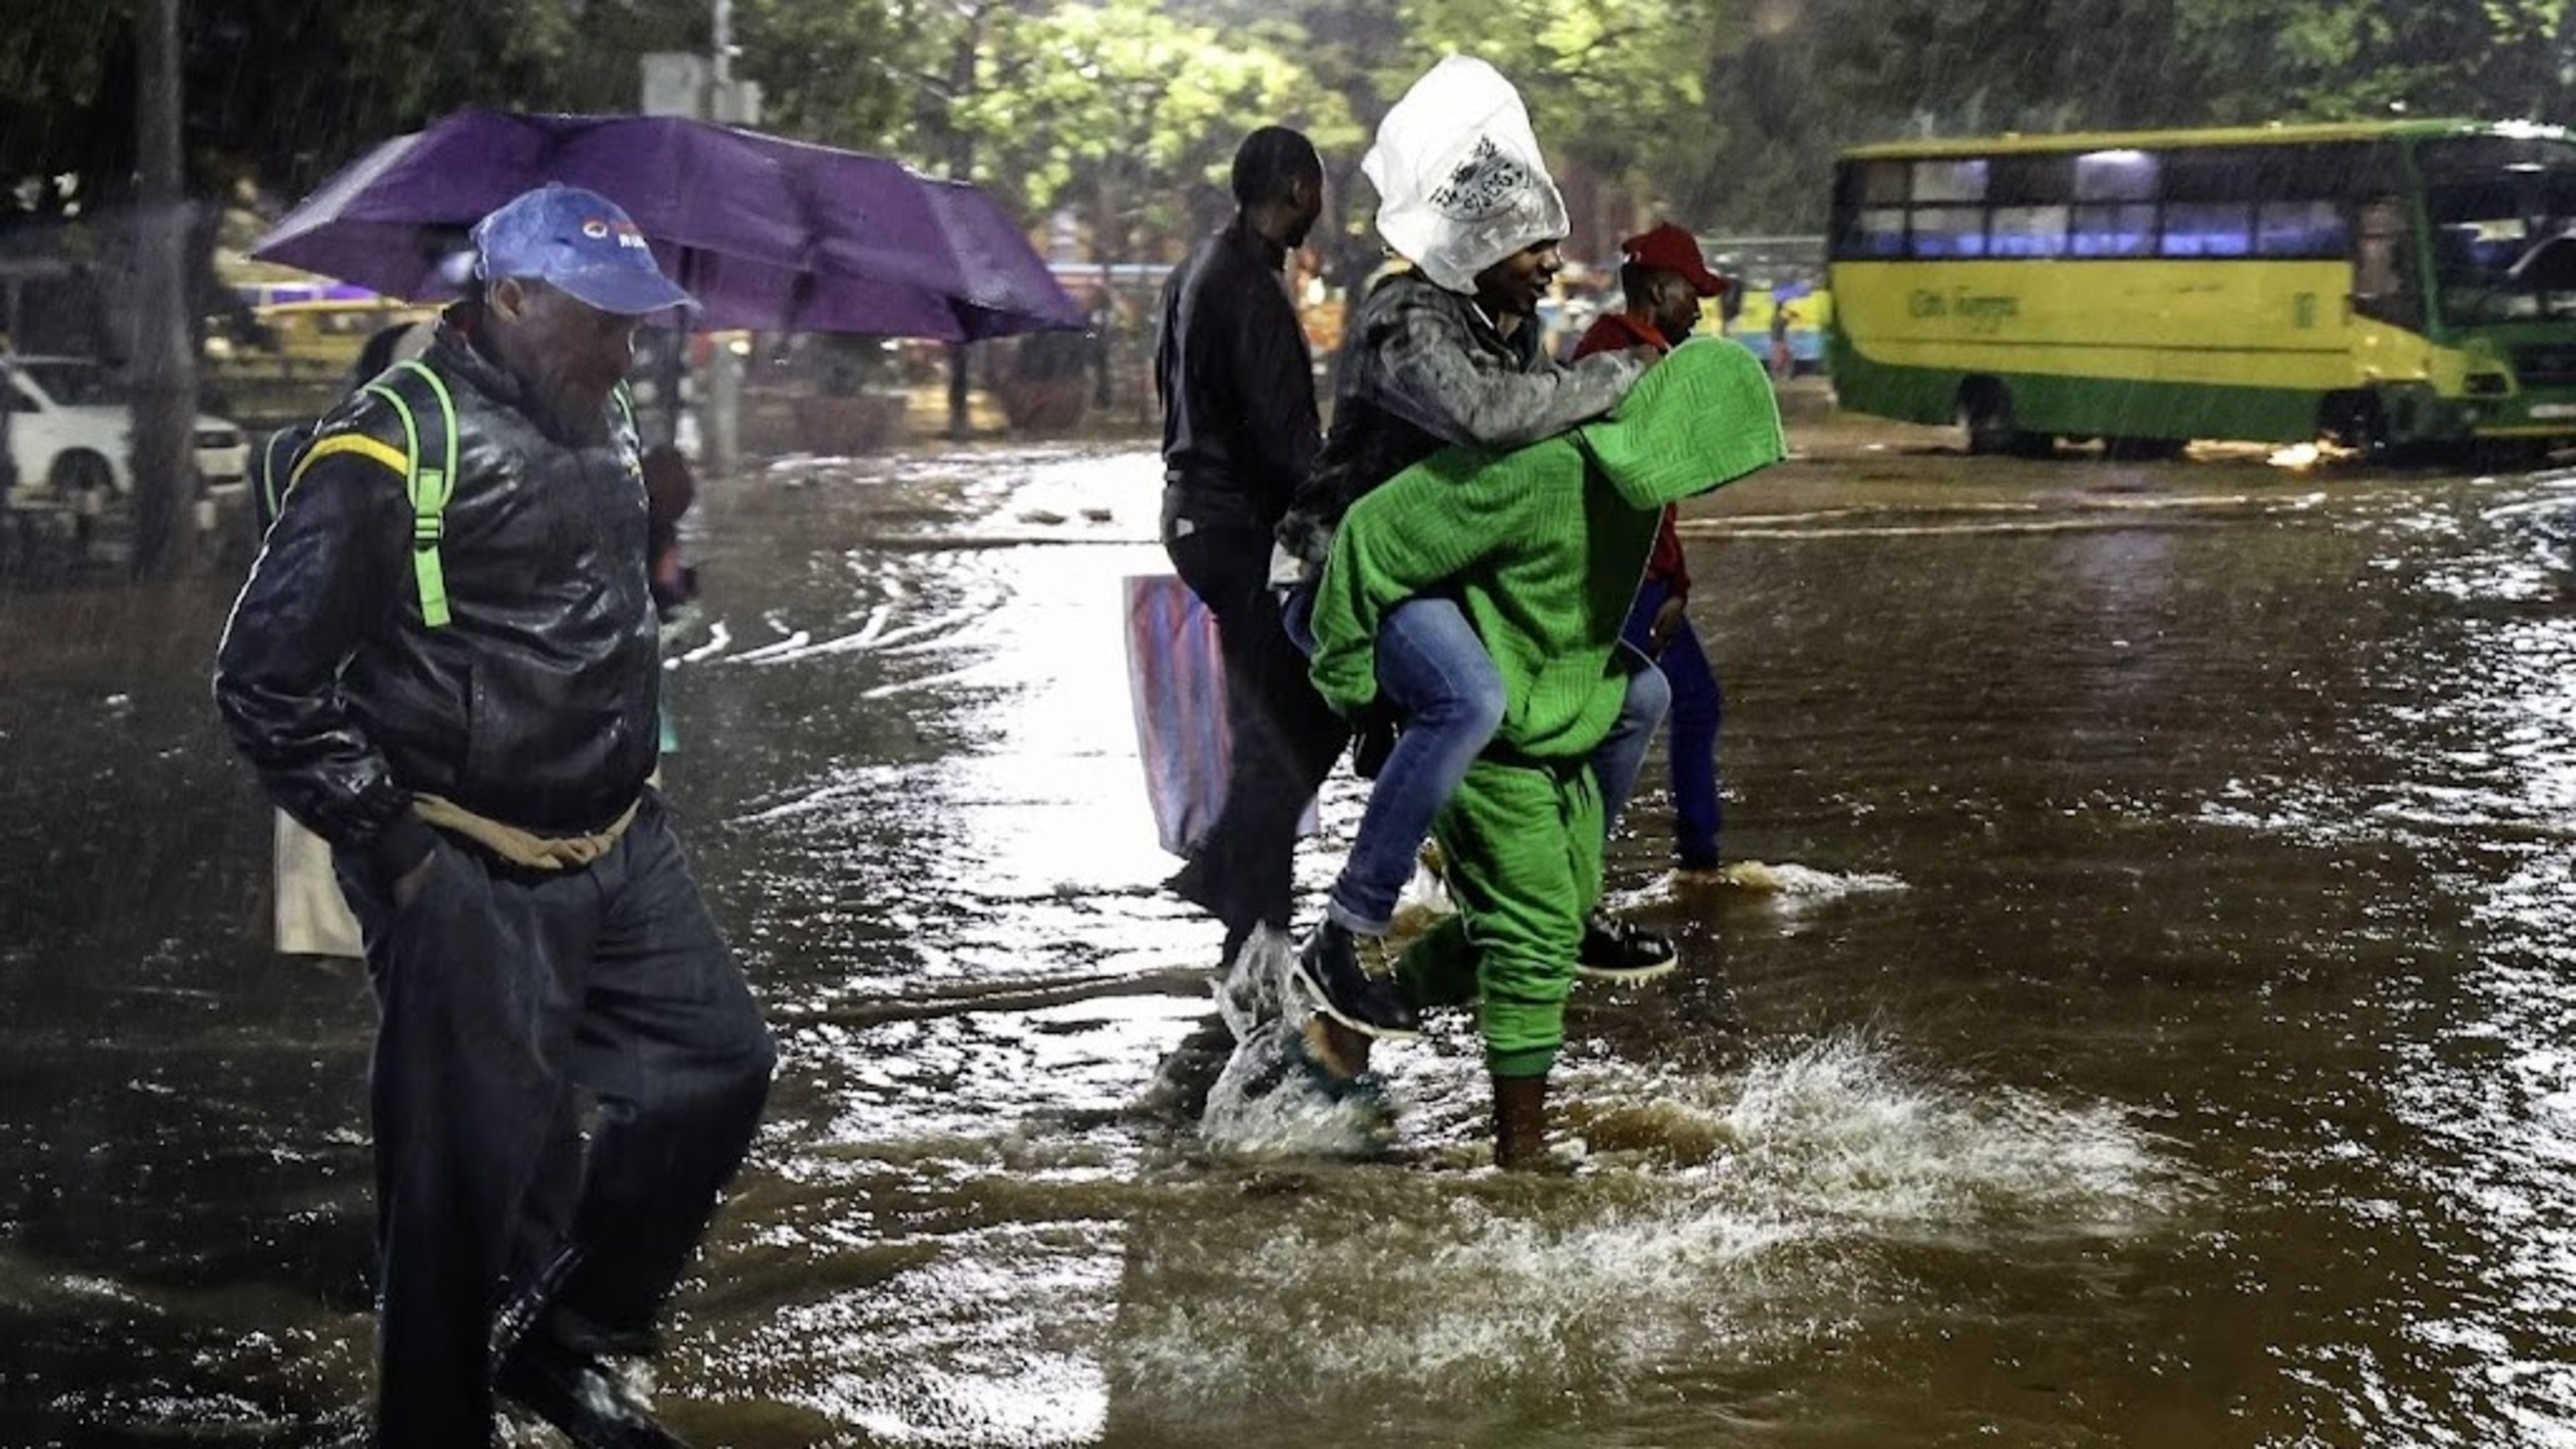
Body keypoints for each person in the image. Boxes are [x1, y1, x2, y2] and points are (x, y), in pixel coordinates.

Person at [213, 183, 775, 1447]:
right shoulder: (388, 446)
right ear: (510, 297)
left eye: (634, 324)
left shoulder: (603, 414)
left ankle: (568, 1343)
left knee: (718, 1067)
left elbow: (599, 607)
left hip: (620, 840)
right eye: (602, 322)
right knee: (461, 1187)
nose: (624, 350)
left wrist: (663, 526)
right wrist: (393, 843)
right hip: (462, 857)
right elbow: (262, 679)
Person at [1303, 338, 1786, 1165]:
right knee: (1533, 936)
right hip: (1491, 737)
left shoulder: (1634, 496)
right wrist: (1357, 694)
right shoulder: (1539, 469)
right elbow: (1370, 538)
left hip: (1560, 719)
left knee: (1547, 920)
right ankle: (1521, 1159)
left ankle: (1345, 1033)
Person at [1270, 55, 1674, 1041]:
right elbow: (1492, 418)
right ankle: (1345, 932)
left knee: (1639, 693)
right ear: (1473, 243)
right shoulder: (1404, 317)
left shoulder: (1509, 329)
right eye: (1534, 244)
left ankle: (1570, 897)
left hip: (1449, 581)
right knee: (1472, 697)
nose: (1551, 263)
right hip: (1344, 576)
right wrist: (1617, 376)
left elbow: (1541, 445)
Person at [1152, 126, 1346, 967]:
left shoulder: (1196, 269)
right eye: (1319, 189)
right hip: (1239, 529)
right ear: (1300, 190)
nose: (1320, 206)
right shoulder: (1252, 291)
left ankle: (1244, 909)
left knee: (1269, 713)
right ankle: (1245, 905)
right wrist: (1334, 522)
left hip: (1194, 519)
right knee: (1306, 707)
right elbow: (1284, 444)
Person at [1570, 223, 1731, 873]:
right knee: (1606, 717)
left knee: (1689, 703)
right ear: (1660, 289)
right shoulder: (1613, 355)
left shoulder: (1645, 354)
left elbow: (1660, 495)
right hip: (1620, 582)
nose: (1700, 309)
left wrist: (1679, 585)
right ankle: (1574, 864)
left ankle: (1697, 859)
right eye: (1693, 293)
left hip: (1652, 581)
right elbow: (1624, 487)